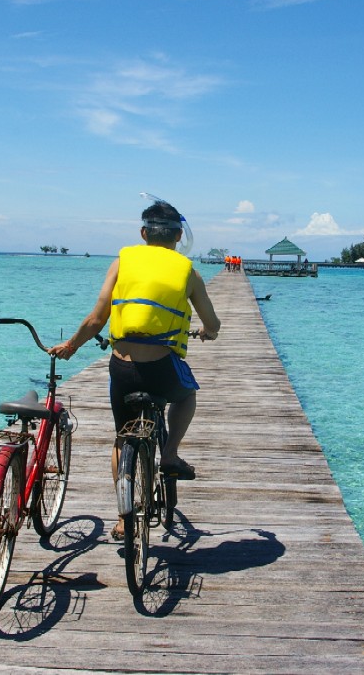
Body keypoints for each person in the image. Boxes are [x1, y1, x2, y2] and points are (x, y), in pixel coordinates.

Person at [49, 198, 221, 540]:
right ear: (177, 237)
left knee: (121, 437)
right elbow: (212, 323)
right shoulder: (189, 271)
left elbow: (97, 319)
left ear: (144, 233)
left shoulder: (121, 262)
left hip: (122, 368)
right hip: (162, 368)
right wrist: (208, 333)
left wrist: (71, 346)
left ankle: (125, 517)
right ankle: (170, 455)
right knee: (187, 395)